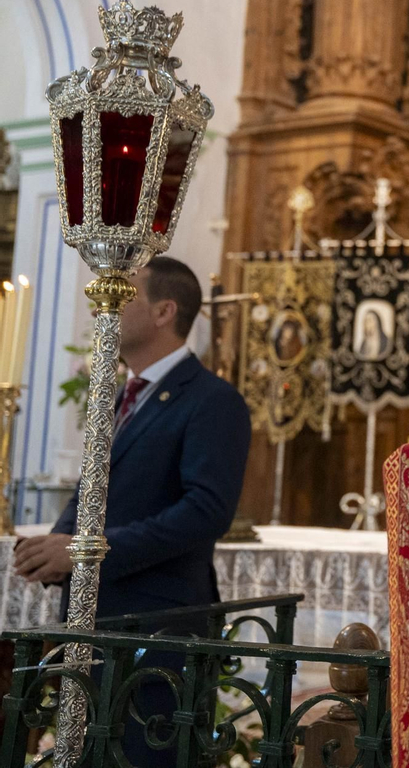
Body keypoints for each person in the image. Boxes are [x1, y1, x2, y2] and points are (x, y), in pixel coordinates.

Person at [14, 256, 251, 765]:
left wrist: (82, 552)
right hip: (99, 620)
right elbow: (94, 488)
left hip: (158, 628)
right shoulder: (123, 393)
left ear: (165, 311)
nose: (109, 306)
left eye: (126, 296)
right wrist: (51, 544)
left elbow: (205, 512)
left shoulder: (212, 400)